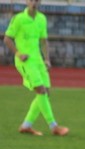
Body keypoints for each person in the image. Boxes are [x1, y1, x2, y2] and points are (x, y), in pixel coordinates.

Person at [3, 0, 69, 136]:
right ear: (27, 1)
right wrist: (18, 54)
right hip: (25, 61)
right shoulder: (18, 19)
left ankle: (26, 125)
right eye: (31, 0)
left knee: (45, 93)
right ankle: (54, 126)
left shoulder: (41, 19)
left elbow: (43, 41)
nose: (34, 2)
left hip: (38, 60)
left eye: (37, 0)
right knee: (41, 90)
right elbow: (7, 39)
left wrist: (47, 59)